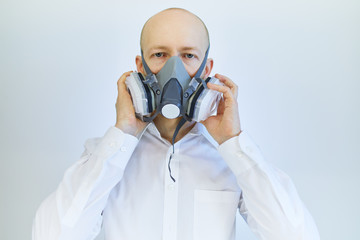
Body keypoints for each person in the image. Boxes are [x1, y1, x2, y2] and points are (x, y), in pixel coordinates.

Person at [32, 8, 320, 240]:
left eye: (188, 55)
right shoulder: (107, 158)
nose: (175, 70)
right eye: (160, 55)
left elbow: (296, 234)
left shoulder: (230, 160)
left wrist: (233, 143)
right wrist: (122, 135)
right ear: (140, 67)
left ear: (207, 68)